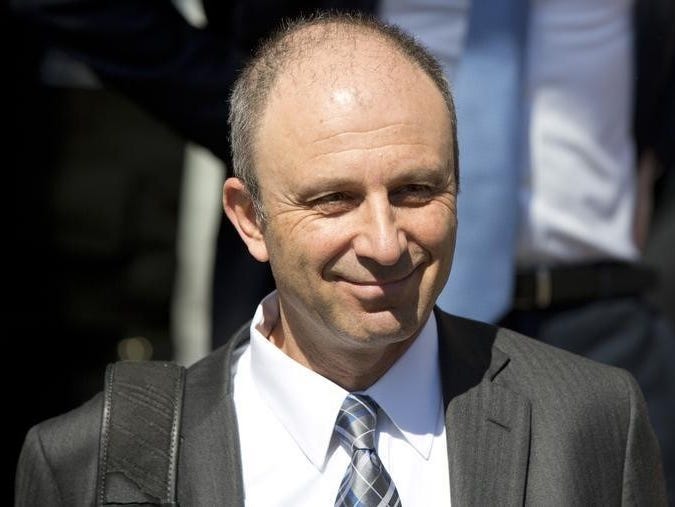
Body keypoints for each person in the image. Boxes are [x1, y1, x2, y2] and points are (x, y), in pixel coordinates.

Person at [15, 14, 667, 505]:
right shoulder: (92, 461)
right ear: (250, 217)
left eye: (416, 190)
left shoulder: (591, 422)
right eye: (333, 200)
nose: (384, 243)